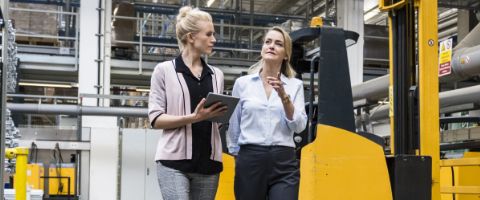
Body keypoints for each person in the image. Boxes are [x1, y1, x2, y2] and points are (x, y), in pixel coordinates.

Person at [148, 6, 227, 200]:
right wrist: (194, 117)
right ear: (191, 37)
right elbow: (155, 118)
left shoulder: (217, 75)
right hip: (173, 163)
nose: (214, 39)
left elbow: (217, 119)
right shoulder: (164, 71)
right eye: (208, 34)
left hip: (209, 165)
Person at [227, 26, 307, 200]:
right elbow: (234, 124)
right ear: (262, 48)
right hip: (250, 159)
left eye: (278, 44)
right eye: (267, 42)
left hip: (284, 161)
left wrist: (284, 98)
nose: (271, 46)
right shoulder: (242, 84)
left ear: (286, 54)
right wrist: (237, 155)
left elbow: (300, 126)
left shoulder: (295, 86)